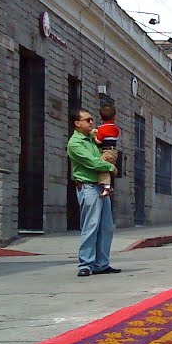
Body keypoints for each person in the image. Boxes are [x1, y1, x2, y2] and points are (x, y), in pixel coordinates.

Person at [67, 108, 119, 278]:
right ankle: (85, 263)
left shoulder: (91, 138)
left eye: (91, 120)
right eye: (87, 120)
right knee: (91, 226)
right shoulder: (75, 144)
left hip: (99, 186)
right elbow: (93, 163)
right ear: (77, 123)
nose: (91, 122)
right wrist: (111, 167)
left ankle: (102, 264)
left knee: (106, 227)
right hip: (88, 187)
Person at [91, 102, 120, 197]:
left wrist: (94, 135)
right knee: (108, 168)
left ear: (100, 117)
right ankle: (109, 185)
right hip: (114, 152)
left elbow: (99, 141)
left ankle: (107, 187)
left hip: (106, 151)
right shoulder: (116, 129)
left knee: (102, 167)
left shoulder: (101, 129)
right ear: (114, 117)